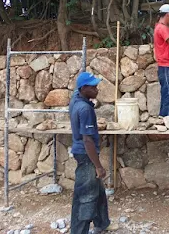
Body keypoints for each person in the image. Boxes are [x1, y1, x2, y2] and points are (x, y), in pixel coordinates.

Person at [69, 72, 111, 234]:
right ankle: (79, 231)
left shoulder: (76, 100)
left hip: (82, 152)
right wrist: (98, 166)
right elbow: (87, 141)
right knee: (85, 196)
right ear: (84, 88)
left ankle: (102, 223)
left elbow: (78, 91)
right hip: (86, 155)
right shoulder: (85, 109)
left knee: (98, 191)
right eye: (93, 87)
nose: (97, 89)